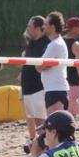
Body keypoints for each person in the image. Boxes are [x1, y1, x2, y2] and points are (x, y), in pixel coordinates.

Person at [19, 16, 49, 148]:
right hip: (27, 88)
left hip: (39, 88)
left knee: (41, 122)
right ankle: (38, 145)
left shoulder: (46, 43)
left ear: (38, 28)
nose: (27, 29)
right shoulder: (30, 42)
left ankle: (45, 147)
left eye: (29, 26)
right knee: (33, 119)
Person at [38, 12, 69, 113]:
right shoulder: (56, 43)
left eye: (46, 24)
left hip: (56, 89)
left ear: (53, 27)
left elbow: (38, 67)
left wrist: (43, 66)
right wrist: (44, 66)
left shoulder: (54, 45)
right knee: (54, 124)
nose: (43, 26)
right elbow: (41, 66)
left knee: (54, 125)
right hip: (54, 88)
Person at [63, 17, 79, 116]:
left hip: (61, 82)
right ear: (74, 29)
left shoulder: (58, 41)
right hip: (74, 83)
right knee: (71, 115)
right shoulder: (77, 45)